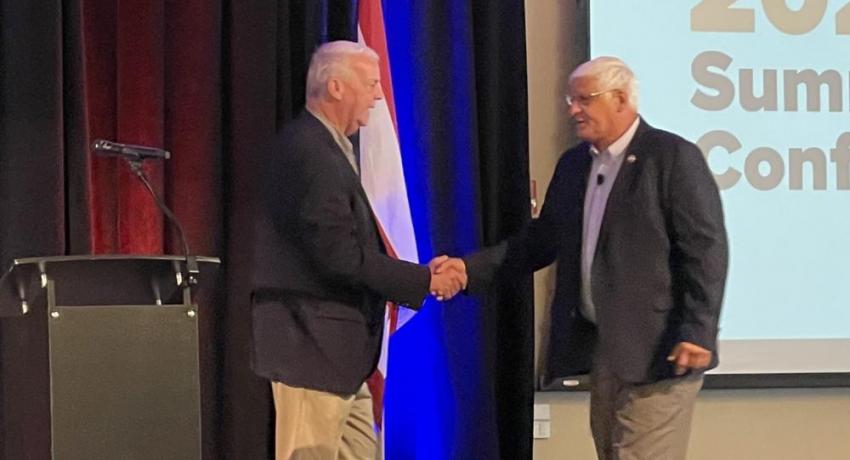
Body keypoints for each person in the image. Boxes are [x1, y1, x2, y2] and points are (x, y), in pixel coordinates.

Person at [439, 56, 728, 460]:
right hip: (605, 349)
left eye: (584, 99)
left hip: (661, 349)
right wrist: (468, 270)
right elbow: (540, 241)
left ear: (622, 99)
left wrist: (698, 331)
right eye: (570, 100)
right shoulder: (576, 165)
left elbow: (705, 250)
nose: (573, 110)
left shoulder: (671, 157)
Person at [250, 40, 466, 460]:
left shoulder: (328, 148)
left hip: (341, 360)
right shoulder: (307, 152)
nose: (379, 94)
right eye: (370, 83)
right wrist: (424, 279)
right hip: (310, 352)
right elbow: (339, 258)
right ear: (335, 87)